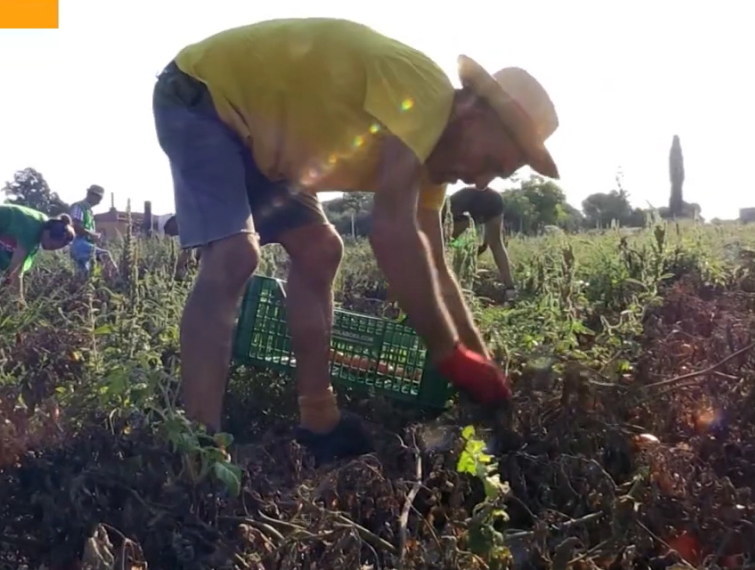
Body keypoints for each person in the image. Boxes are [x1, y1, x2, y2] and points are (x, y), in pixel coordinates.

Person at [152, 18, 560, 464]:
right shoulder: (425, 93)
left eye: (497, 175)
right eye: (490, 161)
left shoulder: (428, 164)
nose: (481, 182)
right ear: (475, 111)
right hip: (202, 95)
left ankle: (319, 421)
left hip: (264, 146)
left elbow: (437, 271)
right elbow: (391, 234)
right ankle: (198, 450)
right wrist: (452, 356)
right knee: (233, 255)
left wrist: (485, 373)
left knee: (321, 249)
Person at [0, 204, 75, 303]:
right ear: (48, 232)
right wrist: (19, 300)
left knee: (3, 267)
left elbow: (13, 267)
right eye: (52, 245)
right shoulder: (31, 229)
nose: (50, 249)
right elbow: (16, 270)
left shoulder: (44, 224)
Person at [446, 186, 516, 301]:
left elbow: (445, 238)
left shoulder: (446, 208)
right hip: (494, 198)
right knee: (497, 244)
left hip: (475, 202)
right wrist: (484, 244)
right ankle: (510, 289)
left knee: (448, 240)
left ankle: (447, 282)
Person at [68, 185, 114, 275]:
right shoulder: (79, 207)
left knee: (84, 274)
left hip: (85, 244)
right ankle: (117, 280)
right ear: (91, 195)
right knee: (105, 255)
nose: (99, 202)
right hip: (78, 244)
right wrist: (91, 234)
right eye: (99, 198)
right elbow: (75, 226)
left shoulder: (88, 211)